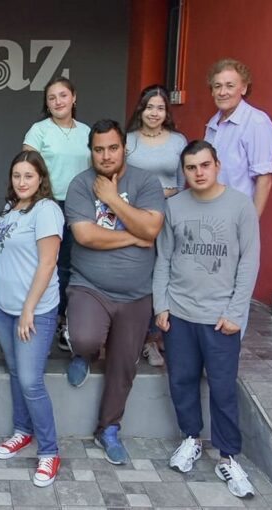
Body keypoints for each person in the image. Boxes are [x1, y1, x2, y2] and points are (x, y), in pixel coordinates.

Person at [154, 140, 260, 499]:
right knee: (182, 381)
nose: (198, 173)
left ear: (216, 165)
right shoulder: (174, 206)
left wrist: (236, 312)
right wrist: (161, 305)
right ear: (183, 172)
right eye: (191, 167)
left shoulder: (240, 206)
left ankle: (228, 456)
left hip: (220, 319)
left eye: (204, 165)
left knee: (223, 389)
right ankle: (190, 438)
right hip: (180, 313)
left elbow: (249, 262)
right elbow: (164, 258)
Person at [64, 119, 165, 465]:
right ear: (90, 151)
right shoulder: (79, 185)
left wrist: (111, 199)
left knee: (123, 365)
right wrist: (134, 236)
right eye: (98, 149)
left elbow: (152, 226)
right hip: (89, 286)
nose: (105, 155)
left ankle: (108, 429)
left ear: (124, 148)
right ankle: (84, 354)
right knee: (84, 338)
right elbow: (86, 236)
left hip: (136, 293)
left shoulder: (147, 182)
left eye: (112, 148)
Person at [0, 151, 64, 487]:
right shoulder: (10, 209)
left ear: (41, 178)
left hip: (33, 311)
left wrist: (29, 308)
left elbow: (47, 263)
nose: (21, 182)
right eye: (16, 175)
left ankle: (50, 451)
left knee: (31, 380)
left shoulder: (46, 210)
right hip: (3, 308)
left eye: (28, 176)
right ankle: (22, 431)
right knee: (16, 372)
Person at [22, 77, 91, 351]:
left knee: (75, 266)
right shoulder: (38, 131)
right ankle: (45, 318)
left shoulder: (87, 132)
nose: (58, 102)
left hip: (81, 207)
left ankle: (67, 322)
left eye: (63, 95)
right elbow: (27, 169)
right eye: (52, 98)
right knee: (49, 266)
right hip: (48, 206)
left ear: (74, 97)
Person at [125, 85, 188, 367]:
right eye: (150, 106)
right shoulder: (128, 141)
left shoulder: (177, 142)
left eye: (160, 108)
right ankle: (130, 336)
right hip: (134, 217)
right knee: (138, 272)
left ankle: (152, 338)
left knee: (163, 273)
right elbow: (120, 180)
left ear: (166, 112)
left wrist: (164, 195)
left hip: (168, 215)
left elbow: (184, 181)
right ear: (141, 108)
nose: (154, 112)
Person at [204, 58, 272, 217]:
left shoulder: (256, 122)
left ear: (243, 88)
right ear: (212, 91)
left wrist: (250, 225)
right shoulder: (213, 123)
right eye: (217, 86)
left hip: (237, 216)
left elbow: (264, 179)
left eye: (230, 86)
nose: (223, 92)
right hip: (210, 212)